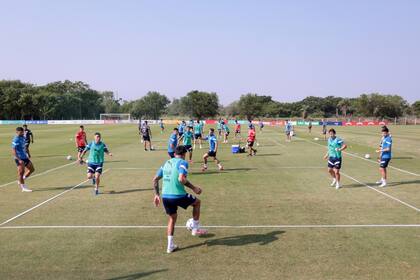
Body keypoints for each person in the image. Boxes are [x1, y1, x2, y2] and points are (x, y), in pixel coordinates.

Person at [153, 145, 208, 253]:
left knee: (172, 218)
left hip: (165, 197)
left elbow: (155, 179)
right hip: (178, 195)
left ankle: (170, 246)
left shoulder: (166, 163)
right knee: (197, 203)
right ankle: (195, 228)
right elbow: (181, 178)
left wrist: (156, 195)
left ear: (174, 154)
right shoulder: (183, 162)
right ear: (184, 155)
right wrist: (194, 188)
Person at [12, 127, 35, 192]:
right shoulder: (15, 139)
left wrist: (28, 154)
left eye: (22, 132)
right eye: (21, 132)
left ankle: (21, 180)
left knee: (32, 169)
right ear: (17, 132)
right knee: (21, 173)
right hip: (19, 158)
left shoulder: (23, 137)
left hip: (25, 157)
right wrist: (19, 159)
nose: (22, 133)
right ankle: (23, 187)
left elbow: (24, 147)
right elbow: (13, 151)